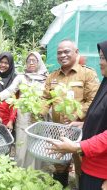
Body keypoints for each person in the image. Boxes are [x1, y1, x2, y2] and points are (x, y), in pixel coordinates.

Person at [49, 40, 107, 190]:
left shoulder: (87, 73)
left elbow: (93, 102)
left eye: (66, 51)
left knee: (80, 167)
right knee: (59, 166)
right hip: (62, 131)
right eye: (59, 52)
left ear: (76, 52)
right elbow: (45, 98)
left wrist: (76, 115)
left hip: (83, 139)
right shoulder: (53, 76)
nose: (62, 55)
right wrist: (38, 111)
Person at [0, 51, 48, 169]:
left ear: (39, 62)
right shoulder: (21, 77)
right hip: (23, 118)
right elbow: (11, 90)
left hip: (39, 117)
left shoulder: (46, 79)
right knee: (22, 145)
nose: (31, 63)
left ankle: (35, 173)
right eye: (28, 61)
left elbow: (49, 97)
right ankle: (21, 172)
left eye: (34, 60)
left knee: (37, 146)